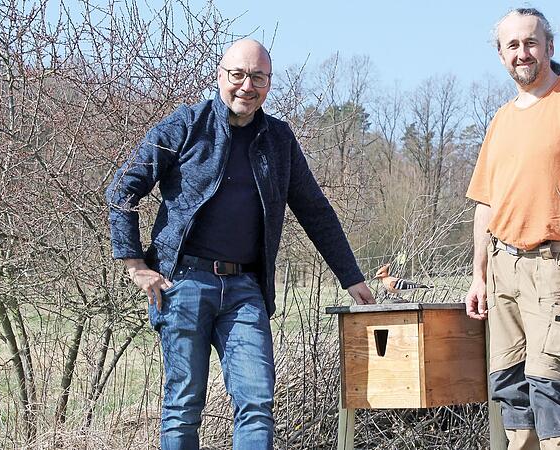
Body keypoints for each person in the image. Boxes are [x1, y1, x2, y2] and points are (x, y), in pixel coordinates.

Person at [106, 39, 374, 450]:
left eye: (258, 77)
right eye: (238, 75)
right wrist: (135, 265)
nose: (247, 86)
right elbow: (123, 189)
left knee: (257, 403)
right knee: (183, 406)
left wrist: (350, 277)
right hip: (183, 283)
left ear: (269, 83)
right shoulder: (186, 125)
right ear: (221, 76)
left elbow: (315, 211)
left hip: (245, 290)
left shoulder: (279, 140)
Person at [464, 8, 560, 450]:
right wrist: (479, 275)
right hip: (502, 270)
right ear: (500, 55)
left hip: (556, 267)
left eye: (531, 42)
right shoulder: (501, 120)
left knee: (551, 391)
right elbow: (485, 203)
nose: (523, 53)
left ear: (550, 46)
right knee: (512, 392)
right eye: (512, 45)